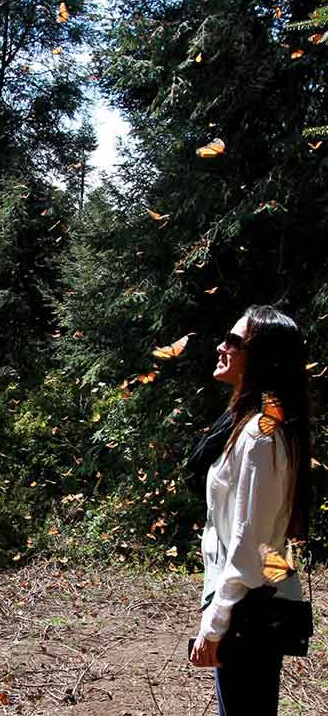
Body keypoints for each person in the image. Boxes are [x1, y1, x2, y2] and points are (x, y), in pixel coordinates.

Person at [187, 305, 311, 716]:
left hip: (247, 613)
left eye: (234, 341)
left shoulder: (260, 437)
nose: (222, 346)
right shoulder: (245, 425)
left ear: (261, 357)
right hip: (248, 608)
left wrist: (215, 623)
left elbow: (249, 543)